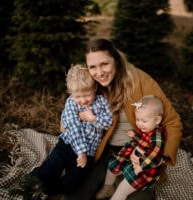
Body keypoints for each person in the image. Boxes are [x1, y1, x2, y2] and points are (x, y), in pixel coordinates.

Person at [63, 38, 182, 200]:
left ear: (117, 61)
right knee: (77, 193)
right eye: (93, 67)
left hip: (138, 151)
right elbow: (71, 114)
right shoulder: (91, 84)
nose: (99, 72)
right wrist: (70, 135)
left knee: (139, 198)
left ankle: (116, 184)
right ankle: (107, 183)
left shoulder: (140, 80)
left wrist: (161, 157)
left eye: (105, 64)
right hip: (103, 149)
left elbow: (173, 122)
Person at [30, 64, 113, 195]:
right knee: (51, 167)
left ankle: (54, 191)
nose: (83, 100)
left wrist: (93, 119)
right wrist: (81, 152)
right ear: (71, 93)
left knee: (72, 183)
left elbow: (108, 122)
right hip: (67, 144)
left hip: (90, 152)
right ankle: (34, 181)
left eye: (87, 95)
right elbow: (73, 127)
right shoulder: (71, 102)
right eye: (78, 96)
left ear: (95, 88)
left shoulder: (102, 102)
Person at [96, 95, 167, 200]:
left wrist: (141, 166)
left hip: (145, 170)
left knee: (122, 189)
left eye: (144, 121)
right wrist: (134, 135)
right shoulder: (147, 128)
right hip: (134, 160)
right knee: (113, 164)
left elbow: (155, 155)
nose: (140, 124)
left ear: (157, 120)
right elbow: (143, 141)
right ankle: (108, 188)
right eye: (138, 120)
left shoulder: (157, 136)